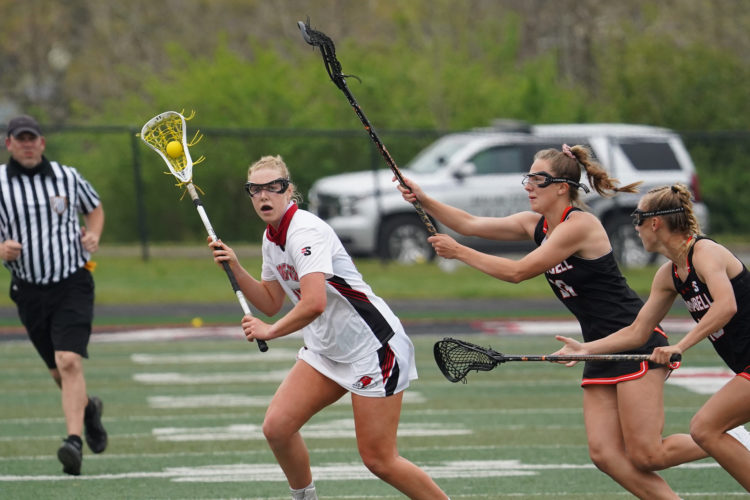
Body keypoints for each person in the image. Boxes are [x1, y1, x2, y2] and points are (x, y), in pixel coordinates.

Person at [397, 145, 714, 499]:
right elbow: (469, 223)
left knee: (647, 454)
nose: (528, 185)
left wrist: (460, 252)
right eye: (528, 177)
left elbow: (518, 272)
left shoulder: (578, 225)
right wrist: (422, 198)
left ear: (562, 186)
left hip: (633, 341)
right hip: (594, 346)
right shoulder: (536, 224)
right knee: (606, 455)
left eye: (538, 178)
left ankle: (730, 439)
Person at [209, 155, 449, 500]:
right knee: (277, 428)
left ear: (289, 190)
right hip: (327, 350)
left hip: (373, 348)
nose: (264, 196)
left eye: (273, 187)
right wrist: (234, 267)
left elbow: (313, 302)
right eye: (255, 189)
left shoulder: (305, 231)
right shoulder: (270, 238)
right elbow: (270, 301)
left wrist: (271, 331)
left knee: (379, 460)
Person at [555, 183, 750, 492]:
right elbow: (638, 331)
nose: (636, 227)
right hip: (744, 367)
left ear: (655, 223)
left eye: (638, 218)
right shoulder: (669, 274)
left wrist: (680, 346)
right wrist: (584, 349)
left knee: (705, 427)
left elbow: (726, 306)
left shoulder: (706, 253)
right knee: (703, 431)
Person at [0, 115, 107, 476]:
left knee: (69, 361)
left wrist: (93, 235)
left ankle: (73, 442)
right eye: (21, 139)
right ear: (9, 144)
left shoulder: (67, 176)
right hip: (28, 290)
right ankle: (88, 410)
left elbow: (94, 208)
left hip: (72, 281)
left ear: (42, 143)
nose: (27, 144)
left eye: (33, 139)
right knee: (57, 370)